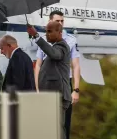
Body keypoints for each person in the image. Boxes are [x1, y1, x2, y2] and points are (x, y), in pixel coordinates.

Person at [34, 10, 80, 139]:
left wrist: (76, 89)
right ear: (50, 22)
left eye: (62, 21)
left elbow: (74, 65)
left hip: (60, 89)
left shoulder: (66, 43)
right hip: (47, 90)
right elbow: (38, 65)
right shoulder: (46, 40)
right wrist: (37, 89)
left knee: (59, 127)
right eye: (57, 21)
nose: (60, 23)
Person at [27, 21, 71, 139]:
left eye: (50, 31)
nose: (47, 34)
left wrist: (37, 36)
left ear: (60, 32)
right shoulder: (55, 47)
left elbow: (54, 54)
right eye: (46, 31)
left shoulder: (62, 46)